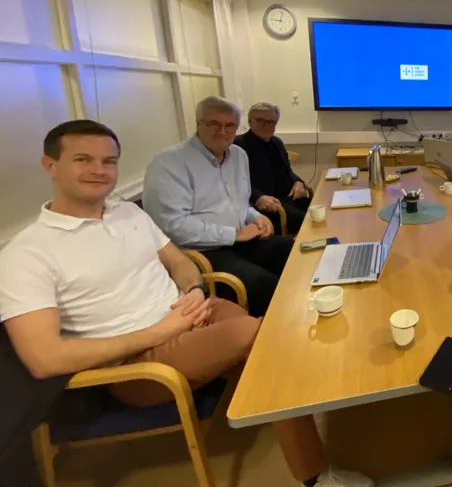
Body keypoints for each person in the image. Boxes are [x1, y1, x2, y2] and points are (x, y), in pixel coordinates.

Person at [0, 120, 372, 487]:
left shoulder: (127, 213)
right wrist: (160, 331)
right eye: (83, 160)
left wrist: (194, 291)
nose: (99, 170)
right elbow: (44, 359)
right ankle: (317, 475)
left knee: (269, 339)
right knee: (265, 334)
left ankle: (306, 409)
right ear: (50, 165)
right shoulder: (27, 253)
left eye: (109, 161)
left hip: (192, 316)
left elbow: (179, 262)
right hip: (139, 364)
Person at [143, 96, 292, 317]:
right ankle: (271, 339)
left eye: (229, 125)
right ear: (198, 124)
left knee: (293, 255)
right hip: (200, 251)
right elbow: (173, 226)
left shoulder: (239, 155)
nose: (222, 131)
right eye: (214, 124)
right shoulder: (169, 163)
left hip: (239, 239)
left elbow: (239, 201)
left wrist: (254, 217)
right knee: (265, 285)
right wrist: (234, 234)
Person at [234, 102, 312, 235]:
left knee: (322, 209)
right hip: (266, 205)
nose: (267, 126)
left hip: (289, 198)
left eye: (272, 122)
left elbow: (287, 170)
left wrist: (298, 182)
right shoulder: (238, 146)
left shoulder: (277, 142)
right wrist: (258, 197)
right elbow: (234, 182)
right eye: (261, 121)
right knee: (308, 222)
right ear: (250, 121)